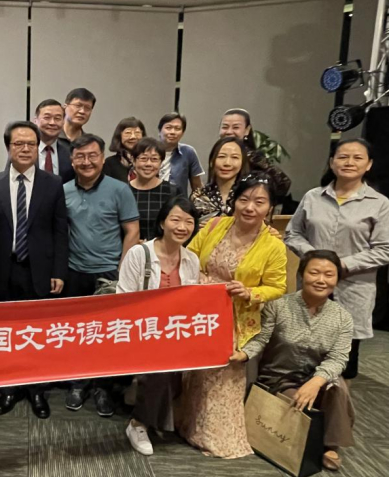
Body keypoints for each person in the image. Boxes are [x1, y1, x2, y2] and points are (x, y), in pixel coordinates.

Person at [177, 175, 287, 458]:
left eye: (259, 202)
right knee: (196, 372)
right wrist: (200, 281)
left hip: (235, 318)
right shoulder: (215, 225)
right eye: (244, 199)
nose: (250, 207)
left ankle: (215, 437)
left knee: (221, 379)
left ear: (270, 208)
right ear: (234, 201)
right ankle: (188, 426)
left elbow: (278, 287)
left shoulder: (273, 245)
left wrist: (250, 292)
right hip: (201, 312)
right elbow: (189, 256)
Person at [232, 250, 356, 471]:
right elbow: (261, 338)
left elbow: (338, 358)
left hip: (315, 376)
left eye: (329, 275)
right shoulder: (278, 305)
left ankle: (332, 445)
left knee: (338, 388)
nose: (321, 280)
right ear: (301, 275)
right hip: (279, 378)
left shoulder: (342, 317)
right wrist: (245, 354)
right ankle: (304, 443)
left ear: (337, 279)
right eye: (314, 273)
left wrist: (315, 382)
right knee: (297, 402)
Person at [0, 121, 68, 419]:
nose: (24, 149)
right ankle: (10, 387)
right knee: (8, 330)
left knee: (38, 332)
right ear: (8, 147)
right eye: (18, 143)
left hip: (40, 269)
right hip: (5, 268)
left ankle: (37, 389)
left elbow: (60, 230)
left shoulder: (53, 183)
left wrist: (59, 271)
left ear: (38, 147)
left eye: (31, 144)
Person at [285, 138, 389, 379]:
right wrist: (313, 257)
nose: (349, 162)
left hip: (352, 290)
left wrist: (342, 265)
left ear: (369, 165)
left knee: (343, 363)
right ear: (332, 162)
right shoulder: (313, 197)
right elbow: (293, 233)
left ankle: (338, 404)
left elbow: (384, 249)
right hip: (311, 287)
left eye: (357, 158)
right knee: (302, 356)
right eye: (343, 157)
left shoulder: (380, 204)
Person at [116, 197, 201, 456]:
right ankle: (138, 423)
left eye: (189, 222)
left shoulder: (192, 260)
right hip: (140, 331)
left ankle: (160, 414)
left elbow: (190, 304)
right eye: (175, 219)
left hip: (174, 333)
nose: (182, 227)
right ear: (162, 222)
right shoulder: (139, 253)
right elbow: (123, 300)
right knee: (162, 368)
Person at [63, 134, 140, 416]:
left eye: (92, 155)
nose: (87, 162)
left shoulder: (119, 189)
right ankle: (78, 383)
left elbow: (132, 230)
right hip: (74, 271)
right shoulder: (63, 191)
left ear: (102, 158)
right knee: (77, 332)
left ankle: (103, 387)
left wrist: (122, 270)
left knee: (106, 335)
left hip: (109, 273)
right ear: (72, 160)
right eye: (80, 156)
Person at [219, 108, 291, 201]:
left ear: (247, 130)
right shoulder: (216, 153)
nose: (229, 132)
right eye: (225, 127)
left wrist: (265, 201)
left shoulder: (253, 157)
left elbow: (284, 182)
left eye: (236, 127)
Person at [128, 138, 181, 241]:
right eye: (143, 158)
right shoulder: (123, 191)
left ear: (161, 163)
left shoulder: (172, 191)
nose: (148, 164)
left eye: (154, 159)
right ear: (133, 161)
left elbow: (178, 224)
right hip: (130, 248)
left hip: (163, 249)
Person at [190, 137, 251, 222]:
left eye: (234, 157)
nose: (227, 163)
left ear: (242, 162)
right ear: (212, 161)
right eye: (221, 156)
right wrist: (197, 227)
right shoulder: (199, 196)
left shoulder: (250, 195)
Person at [156, 112, 204, 196]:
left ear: (182, 133)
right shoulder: (148, 151)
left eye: (177, 129)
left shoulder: (188, 152)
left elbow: (197, 186)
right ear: (159, 131)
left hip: (178, 202)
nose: (172, 132)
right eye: (168, 128)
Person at [34, 98, 74, 182]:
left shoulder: (70, 151)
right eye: (47, 117)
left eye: (57, 118)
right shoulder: (24, 149)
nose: (52, 123)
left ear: (63, 122)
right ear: (35, 120)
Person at [103, 116, 145, 182]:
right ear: (119, 136)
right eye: (128, 133)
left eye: (137, 133)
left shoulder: (149, 161)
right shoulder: (109, 163)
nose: (133, 137)